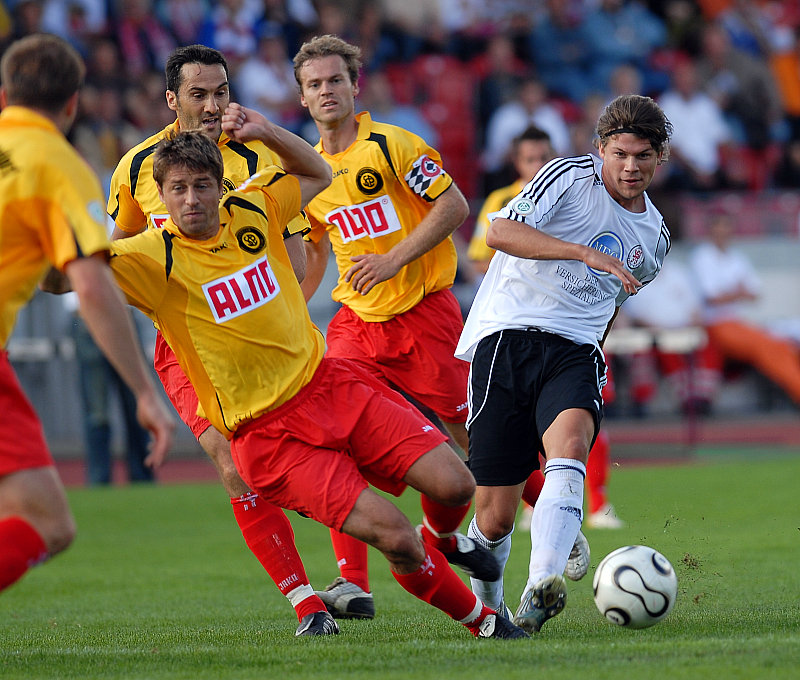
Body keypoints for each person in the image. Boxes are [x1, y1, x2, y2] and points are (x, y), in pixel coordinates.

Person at [109, 124, 528, 641]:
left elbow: (318, 170)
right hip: (269, 437)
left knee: (457, 483)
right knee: (397, 537)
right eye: (178, 188)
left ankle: (438, 542)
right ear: (162, 196)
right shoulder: (152, 256)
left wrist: (264, 128)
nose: (191, 199)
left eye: (201, 185)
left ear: (222, 187)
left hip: (330, 386)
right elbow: (68, 277)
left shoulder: (256, 207)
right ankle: (484, 625)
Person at [107, 44, 332, 636]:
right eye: (199, 94)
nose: (213, 106)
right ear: (171, 100)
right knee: (234, 468)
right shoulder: (136, 168)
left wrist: (292, 316)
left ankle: (359, 574)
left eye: (222, 93)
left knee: (330, 450)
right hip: (188, 348)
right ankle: (307, 603)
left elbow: (295, 245)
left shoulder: (257, 156)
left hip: (271, 339)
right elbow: (120, 243)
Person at [294, 34, 498, 620]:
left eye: (336, 80)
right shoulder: (306, 170)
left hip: (424, 315)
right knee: (333, 433)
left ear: (355, 86)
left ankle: (512, 525)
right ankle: (352, 583)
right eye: (315, 84)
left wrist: (393, 259)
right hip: (356, 322)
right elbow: (314, 250)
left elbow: (455, 205)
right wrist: (295, 309)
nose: (327, 91)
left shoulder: (393, 144)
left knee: (472, 436)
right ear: (303, 97)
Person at [456, 94, 673, 632]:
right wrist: (583, 251)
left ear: (659, 157)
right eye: (620, 153)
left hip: (575, 348)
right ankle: (492, 610)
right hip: (507, 337)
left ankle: (541, 586)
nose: (630, 166)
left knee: (571, 446)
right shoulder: (569, 176)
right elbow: (498, 232)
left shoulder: (656, 239)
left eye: (643, 155)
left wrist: (596, 352)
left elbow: (613, 302)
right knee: (495, 515)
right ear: (600, 149)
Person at [0, 33, 174, 593]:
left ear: (5, 95)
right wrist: (145, 392)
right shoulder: (59, 165)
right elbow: (92, 287)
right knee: (47, 523)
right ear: (73, 103)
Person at [689, 212, 800, 408]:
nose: (722, 231)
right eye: (718, 227)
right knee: (767, 347)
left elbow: (754, 293)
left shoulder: (736, 257)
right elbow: (713, 298)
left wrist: (731, 293)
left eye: (726, 227)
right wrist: (737, 292)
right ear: (711, 230)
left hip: (737, 321)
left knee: (782, 345)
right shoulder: (703, 256)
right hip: (716, 324)